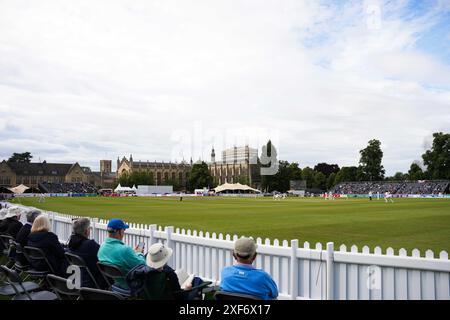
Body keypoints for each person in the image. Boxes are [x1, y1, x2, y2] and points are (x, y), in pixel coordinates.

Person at [97, 218, 146, 289]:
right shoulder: (125, 250)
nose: (124, 232)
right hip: (130, 285)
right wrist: (139, 253)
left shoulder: (102, 247)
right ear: (119, 231)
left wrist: (133, 254)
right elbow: (142, 264)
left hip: (114, 284)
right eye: (123, 230)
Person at [67, 218, 107, 289]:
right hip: (91, 282)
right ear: (86, 231)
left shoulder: (71, 243)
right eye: (89, 228)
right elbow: (104, 258)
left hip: (77, 279)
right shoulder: (90, 245)